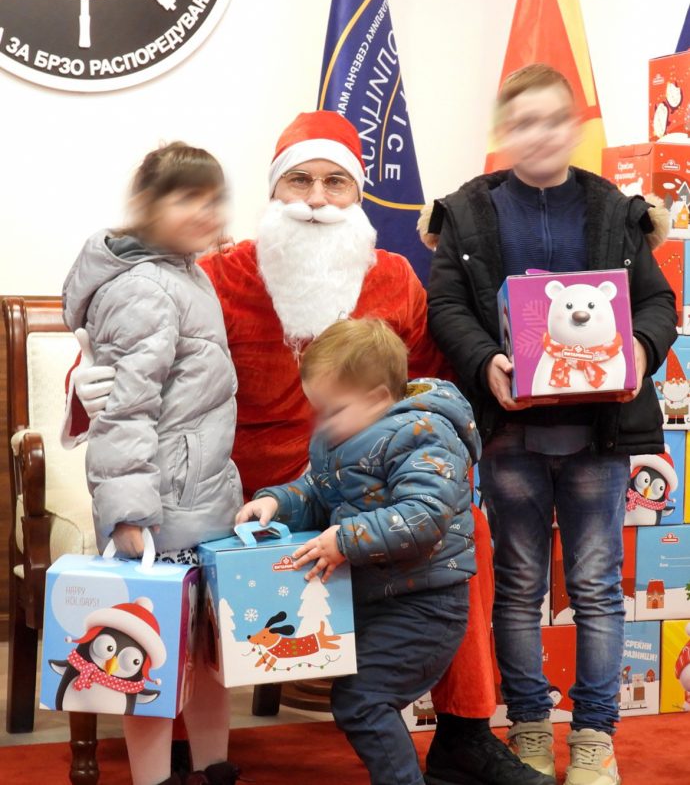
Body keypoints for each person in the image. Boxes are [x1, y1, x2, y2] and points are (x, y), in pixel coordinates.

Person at [64, 111, 551, 785]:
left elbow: (428, 385)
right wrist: (82, 383)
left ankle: (464, 733)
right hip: (251, 487)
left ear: (358, 195)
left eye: (335, 182)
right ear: (273, 191)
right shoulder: (219, 275)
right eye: (299, 181)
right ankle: (172, 733)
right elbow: (132, 353)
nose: (317, 200)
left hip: (366, 478)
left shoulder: (395, 279)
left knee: (462, 527)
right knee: (187, 552)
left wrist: (500, 372)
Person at [427, 64, 677, 785]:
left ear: (575, 128)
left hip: (600, 435)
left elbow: (657, 303)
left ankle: (595, 737)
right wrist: (486, 364)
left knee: (595, 587)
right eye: (524, 122)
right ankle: (531, 728)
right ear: (504, 132)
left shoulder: (615, 210)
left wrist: (639, 350)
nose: (539, 134)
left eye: (552, 120)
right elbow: (447, 307)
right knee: (516, 586)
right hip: (511, 436)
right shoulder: (469, 212)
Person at [62, 142, 244, 785]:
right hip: (160, 513)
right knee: (145, 658)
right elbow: (125, 412)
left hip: (200, 501)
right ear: (146, 204)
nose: (205, 211)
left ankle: (214, 769)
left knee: (207, 658)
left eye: (213, 198)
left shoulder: (185, 274)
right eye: (186, 197)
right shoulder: (143, 287)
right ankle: (154, 778)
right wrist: (129, 515)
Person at [236, 317, 478, 785]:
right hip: (376, 598)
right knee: (360, 699)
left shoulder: (423, 434)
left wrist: (345, 539)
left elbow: (423, 517)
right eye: (318, 411)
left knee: (362, 700)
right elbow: (316, 491)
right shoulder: (340, 438)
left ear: (378, 399)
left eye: (334, 410)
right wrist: (277, 501)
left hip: (427, 605)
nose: (323, 423)